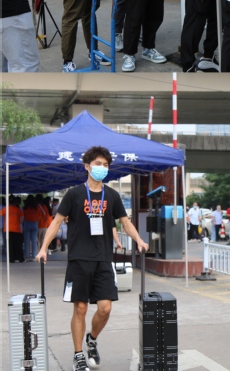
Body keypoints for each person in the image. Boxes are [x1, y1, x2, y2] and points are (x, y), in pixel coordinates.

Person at [36, 146, 149, 371]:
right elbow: (56, 222)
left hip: (103, 259)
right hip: (79, 259)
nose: (102, 168)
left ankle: (92, 339)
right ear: (87, 166)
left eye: (105, 165)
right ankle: (78, 355)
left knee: (105, 308)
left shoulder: (112, 195)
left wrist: (139, 240)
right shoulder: (74, 194)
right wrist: (43, 248)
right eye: (98, 164)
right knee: (80, 308)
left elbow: (125, 222)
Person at [2, 196, 25, 262]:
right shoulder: (18, 210)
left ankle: (11, 259)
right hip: (17, 229)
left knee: (10, 245)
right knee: (18, 245)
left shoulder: (5, 209)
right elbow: (21, 220)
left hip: (8, 229)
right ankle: (20, 258)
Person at [22, 196, 41, 261]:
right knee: (34, 241)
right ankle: (34, 255)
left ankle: (26, 255)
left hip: (27, 223)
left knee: (26, 241)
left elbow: (23, 217)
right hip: (34, 223)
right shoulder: (37, 208)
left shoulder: (25, 208)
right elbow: (39, 218)